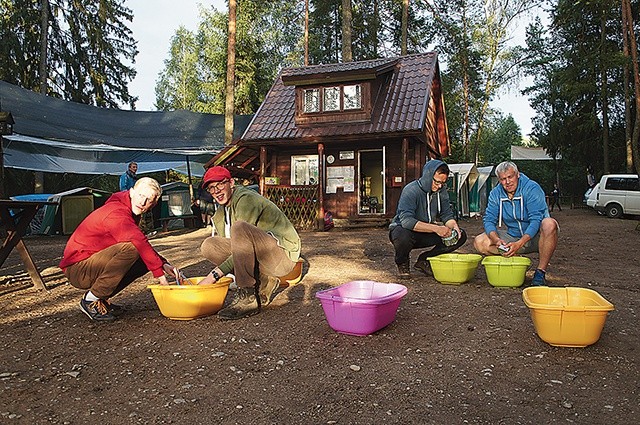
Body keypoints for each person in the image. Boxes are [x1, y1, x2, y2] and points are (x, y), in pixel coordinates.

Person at [60, 177, 181, 322]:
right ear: (131, 192)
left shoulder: (128, 209)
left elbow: (141, 243)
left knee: (142, 260)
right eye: (141, 195)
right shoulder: (115, 211)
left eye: (148, 199)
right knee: (132, 248)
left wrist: (162, 263)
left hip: (90, 264)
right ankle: (90, 301)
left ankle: (101, 299)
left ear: (154, 204)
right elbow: (137, 241)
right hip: (78, 269)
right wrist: (160, 276)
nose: (142, 202)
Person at [198, 166, 301, 320]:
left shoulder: (245, 199)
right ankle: (264, 281)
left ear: (231, 183)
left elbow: (241, 247)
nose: (217, 191)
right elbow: (238, 250)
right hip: (263, 255)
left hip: (282, 255)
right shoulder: (222, 210)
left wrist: (213, 276)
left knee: (239, 227)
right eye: (212, 188)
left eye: (220, 184)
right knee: (209, 246)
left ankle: (247, 298)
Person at [473, 161, 559, 286]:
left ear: (517, 174)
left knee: (549, 224)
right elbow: (489, 219)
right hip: (513, 235)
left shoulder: (531, 188)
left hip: (537, 236)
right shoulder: (496, 194)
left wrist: (520, 243)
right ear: (499, 179)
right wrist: (496, 240)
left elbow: (536, 219)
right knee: (479, 242)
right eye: (503, 179)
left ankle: (540, 272)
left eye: (510, 177)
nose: (507, 182)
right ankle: (517, 260)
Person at [389, 159, 467, 278]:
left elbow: (446, 215)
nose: (439, 186)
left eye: (443, 183)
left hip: (427, 231)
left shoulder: (442, 191)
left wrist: (453, 226)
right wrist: (437, 229)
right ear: (428, 176)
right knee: (402, 234)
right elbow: (406, 221)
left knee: (460, 235)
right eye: (437, 182)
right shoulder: (411, 190)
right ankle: (402, 262)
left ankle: (425, 260)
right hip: (405, 231)